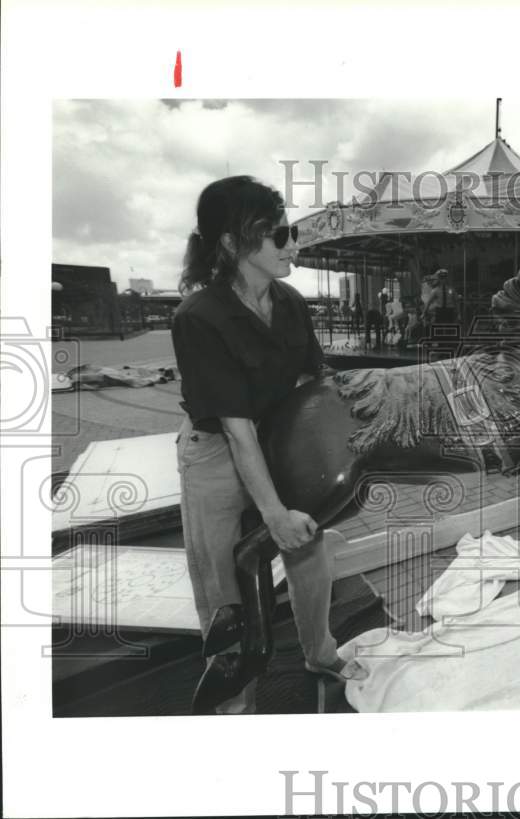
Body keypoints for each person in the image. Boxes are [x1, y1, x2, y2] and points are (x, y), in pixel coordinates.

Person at [172, 176, 365, 714]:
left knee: (309, 553)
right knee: (223, 583)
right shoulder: (199, 317)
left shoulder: (291, 303)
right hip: (215, 451)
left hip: (277, 438)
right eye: (278, 235)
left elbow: (310, 385)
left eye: (292, 231)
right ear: (233, 245)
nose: (292, 244)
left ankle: (319, 651)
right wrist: (273, 512)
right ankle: (238, 702)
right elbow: (235, 430)